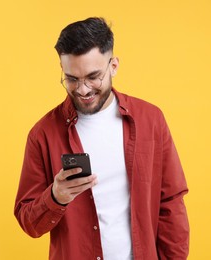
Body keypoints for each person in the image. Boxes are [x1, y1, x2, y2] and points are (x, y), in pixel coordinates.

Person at [14, 17, 189, 260]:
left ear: (114, 66)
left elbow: (170, 203)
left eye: (93, 76)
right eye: (72, 79)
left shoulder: (151, 120)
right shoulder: (43, 134)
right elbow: (29, 222)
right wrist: (55, 197)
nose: (83, 90)